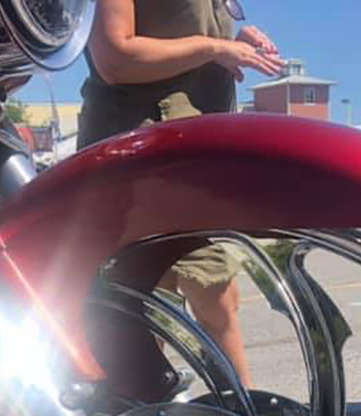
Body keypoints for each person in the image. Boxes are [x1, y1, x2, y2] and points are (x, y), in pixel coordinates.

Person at [79, 0, 285, 387]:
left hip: (193, 146)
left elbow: (177, 40)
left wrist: (229, 46)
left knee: (157, 295)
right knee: (209, 287)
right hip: (147, 146)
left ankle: (151, 412)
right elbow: (115, 56)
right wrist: (215, 48)